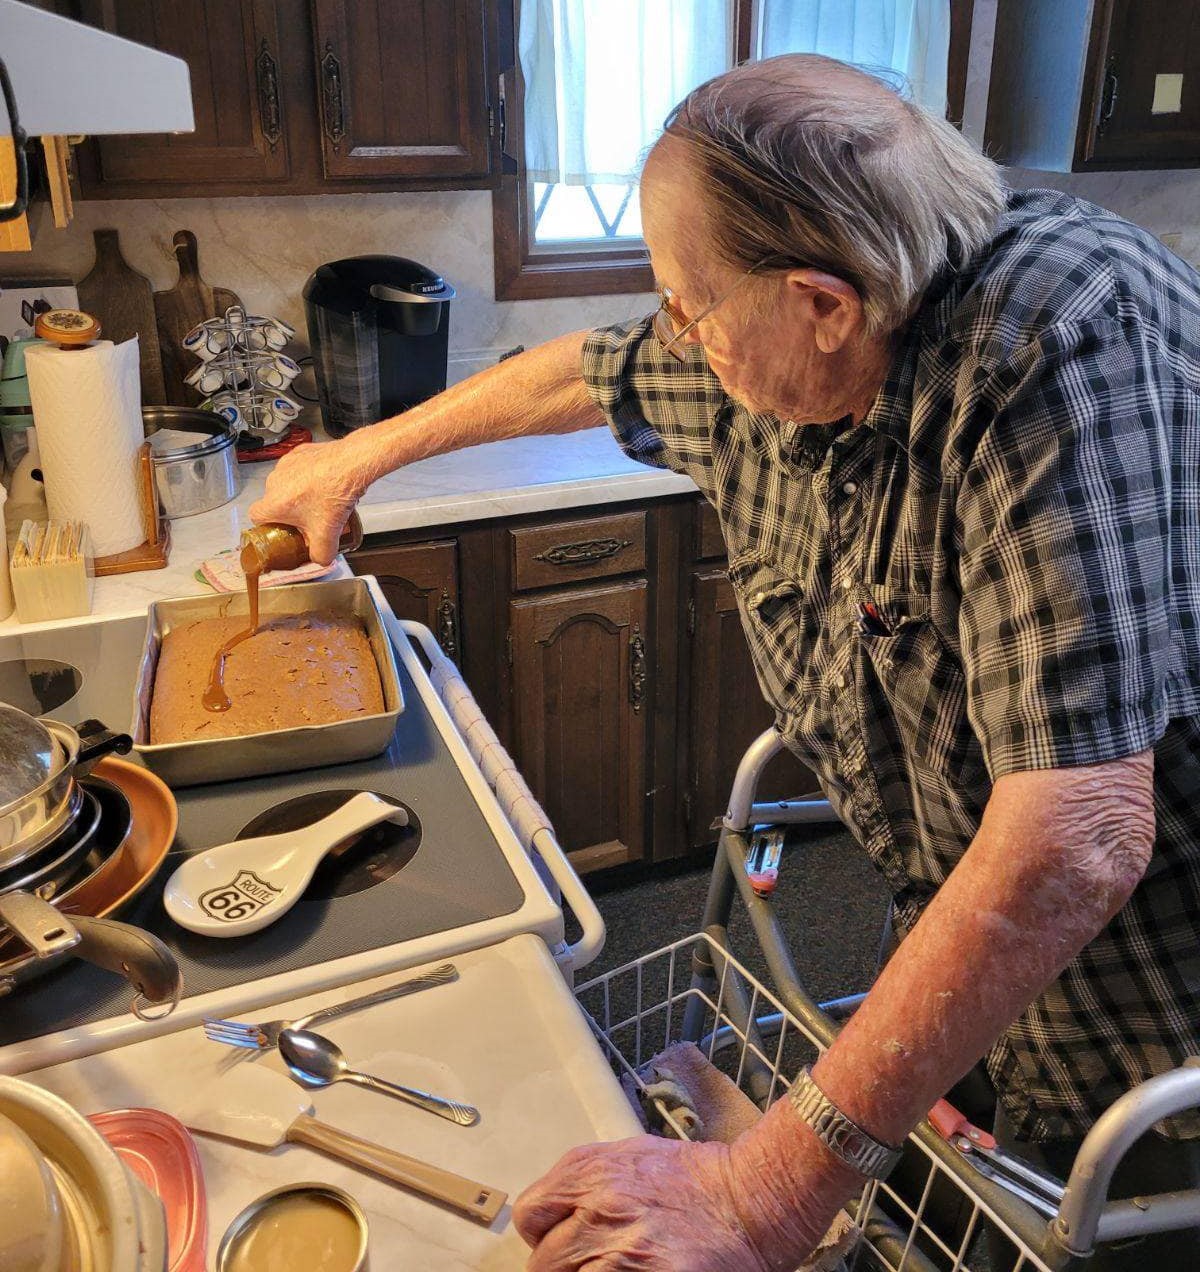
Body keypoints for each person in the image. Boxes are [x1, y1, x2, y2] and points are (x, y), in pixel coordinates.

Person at [251, 53, 1200, 1272]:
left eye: (687, 306)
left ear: (823, 307)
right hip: (976, 946)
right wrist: (356, 457)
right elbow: (586, 370)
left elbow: (1078, 840)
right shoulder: (810, 336)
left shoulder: (1057, 344)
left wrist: (764, 1193)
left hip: (1152, 1024)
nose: (675, 338)